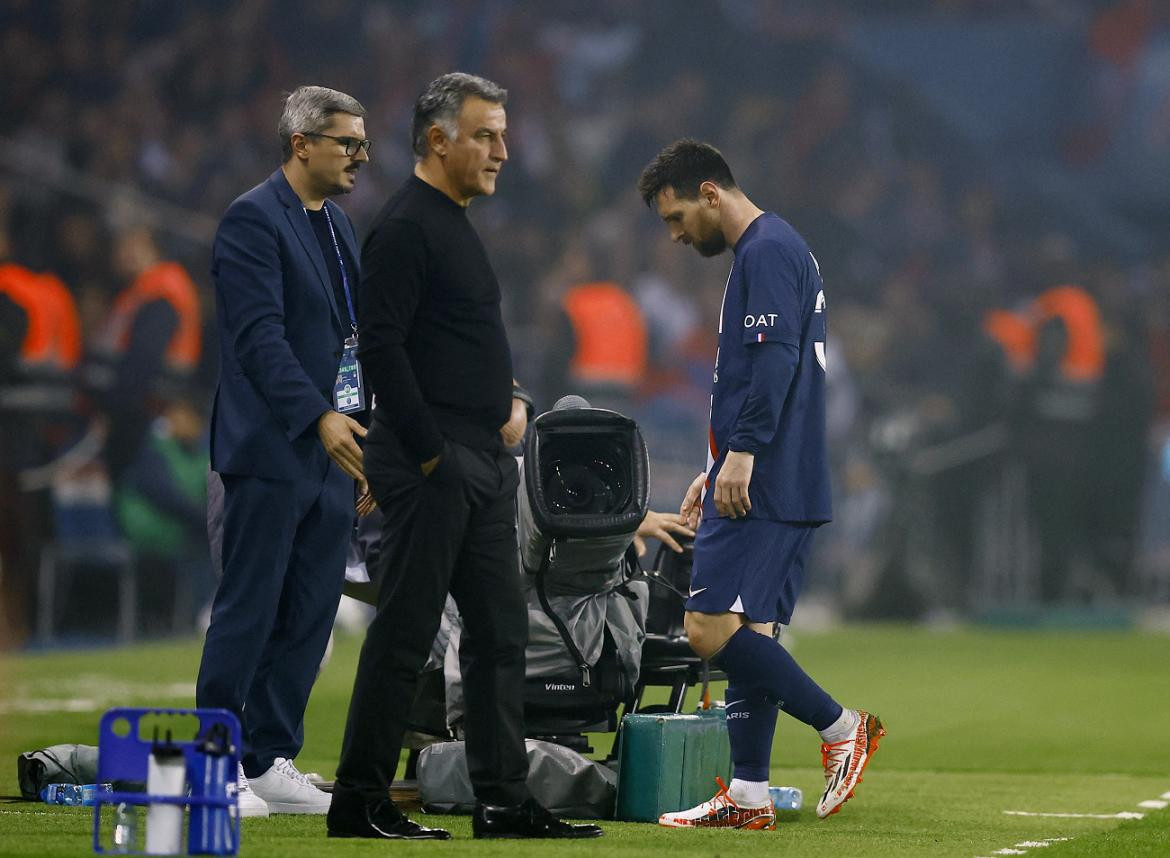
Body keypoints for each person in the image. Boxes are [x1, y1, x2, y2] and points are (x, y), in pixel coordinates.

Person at [327, 72, 601, 842]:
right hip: (436, 466)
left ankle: (502, 800)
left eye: (503, 134)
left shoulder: (449, 223)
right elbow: (380, 348)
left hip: (478, 461)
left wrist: (507, 398)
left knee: (499, 634)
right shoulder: (407, 227)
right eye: (485, 134)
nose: (503, 151)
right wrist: (427, 459)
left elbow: (452, 349)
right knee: (407, 635)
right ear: (438, 140)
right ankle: (359, 800)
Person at [636, 140, 885, 831]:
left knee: (706, 627)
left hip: (765, 479)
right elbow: (759, 374)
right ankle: (747, 794)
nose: (678, 235)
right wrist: (719, 461)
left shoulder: (767, 250)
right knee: (755, 633)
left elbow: (773, 362)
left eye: (678, 216)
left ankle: (841, 726)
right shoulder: (777, 248)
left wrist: (741, 455)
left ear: (711, 193)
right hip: (777, 472)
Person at [196, 86, 371, 818]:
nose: (361, 155)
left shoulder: (338, 227)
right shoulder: (251, 220)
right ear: (301, 144)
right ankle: (214, 763)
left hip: (332, 456)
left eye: (362, 142)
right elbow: (258, 339)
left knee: (310, 612)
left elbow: (353, 345)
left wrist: (362, 433)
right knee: (250, 608)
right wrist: (320, 419)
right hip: (271, 449)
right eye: (346, 142)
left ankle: (266, 757)